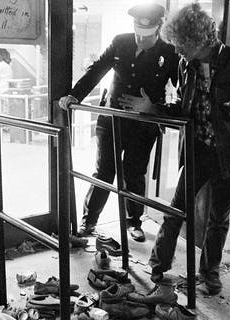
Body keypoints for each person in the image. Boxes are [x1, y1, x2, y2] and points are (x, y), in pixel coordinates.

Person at [120, 3, 230, 294]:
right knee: (176, 210)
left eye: (181, 45)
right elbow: (184, 110)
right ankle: (158, 266)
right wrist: (153, 109)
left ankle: (209, 273)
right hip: (197, 149)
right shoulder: (187, 65)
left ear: (197, 40)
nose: (178, 51)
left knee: (218, 218)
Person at [59, 2, 180, 242]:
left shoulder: (170, 52)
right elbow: (97, 70)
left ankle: (134, 222)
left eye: (146, 36)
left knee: (134, 174)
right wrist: (75, 94)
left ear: (159, 28)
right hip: (111, 119)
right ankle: (89, 221)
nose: (140, 39)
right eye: (137, 33)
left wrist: (155, 108)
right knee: (104, 171)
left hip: (143, 125)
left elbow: (183, 91)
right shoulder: (121, 41)